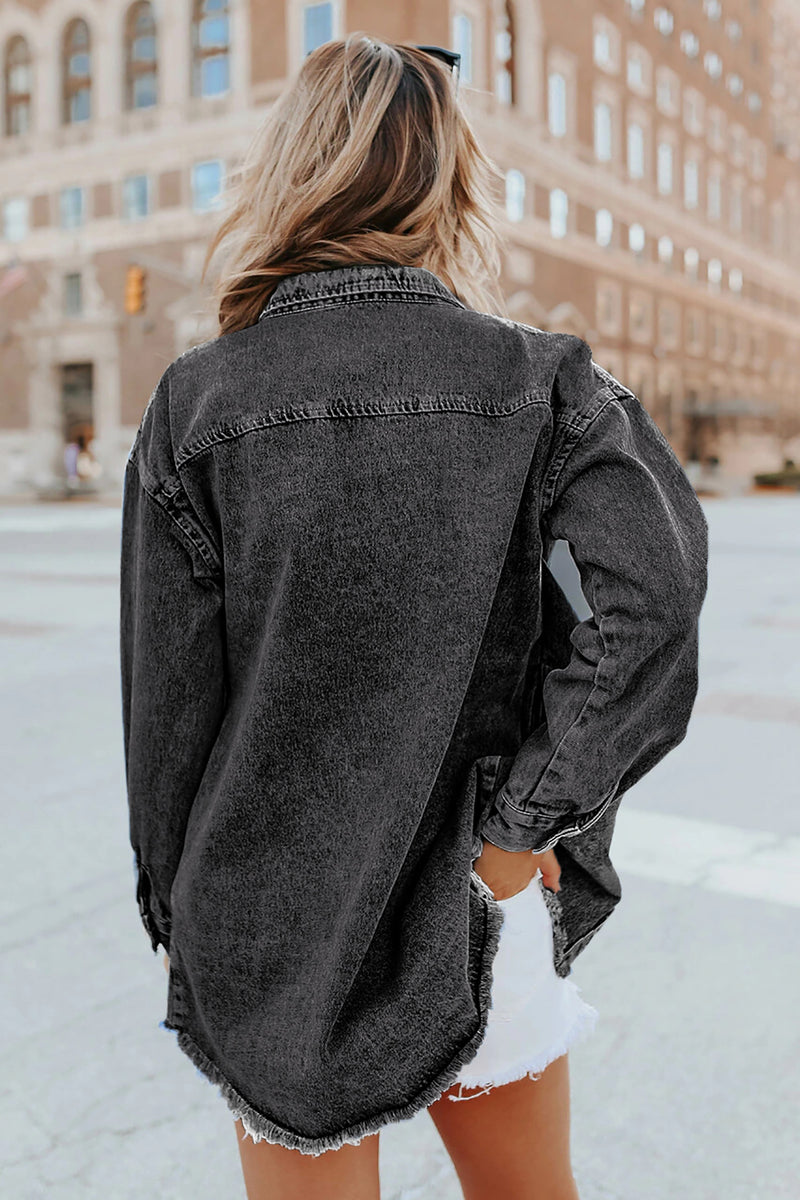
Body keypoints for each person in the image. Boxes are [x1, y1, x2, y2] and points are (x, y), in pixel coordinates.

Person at [120, 34, 709, 1200]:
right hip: (473, 896)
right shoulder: (538, 379)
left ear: (292, 170)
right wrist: (517, 834)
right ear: (451, 179)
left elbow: (168, 708)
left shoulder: (200, 400)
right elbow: (652, 608)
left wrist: (180, 904)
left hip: (274, 915)